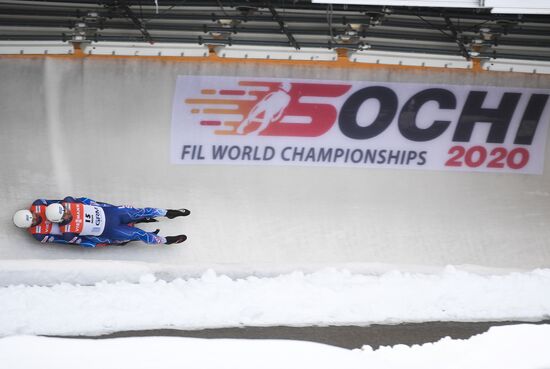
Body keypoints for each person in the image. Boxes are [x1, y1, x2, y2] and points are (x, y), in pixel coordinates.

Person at [45, 196, 190, 246]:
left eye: (64, 210)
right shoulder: (67, 232)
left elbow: (87, 201)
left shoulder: (69, 202)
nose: (67, 213)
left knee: (141, 211)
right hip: (111, 230)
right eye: (64, 215)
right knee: (139, 234)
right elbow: (85, 241)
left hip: (113, 213)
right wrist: (104, 242)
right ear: (59, 220)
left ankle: (168, 212)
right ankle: (166, 240)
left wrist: (105, 206)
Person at [12, 198, 147, 247]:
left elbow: (59, 202)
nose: (35, 218)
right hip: (79, 231)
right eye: (33, 221)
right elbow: (61, 240)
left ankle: (131, 217)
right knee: (96, 239)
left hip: (79, 215)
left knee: (104, 209)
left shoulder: (39, 204)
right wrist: (88, 242)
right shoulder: (39, 235)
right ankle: (119, 240)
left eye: (33, 215)